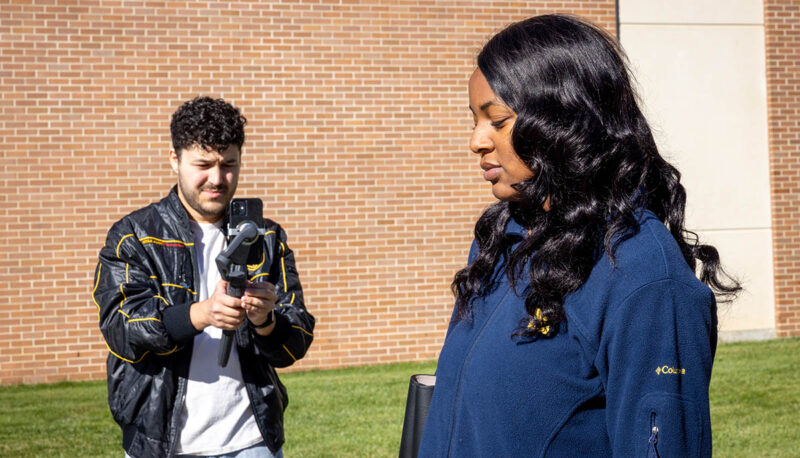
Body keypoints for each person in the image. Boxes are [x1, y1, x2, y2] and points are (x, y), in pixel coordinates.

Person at [418, 14, 740, 457]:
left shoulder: (641, 275)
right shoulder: (504, 239)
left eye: (498, 120)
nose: (476, 140)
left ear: (564, 120)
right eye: (474, 119)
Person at [92, 96, 314, 457]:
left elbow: (297, 340)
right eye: (204, 164)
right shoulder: (134, 235)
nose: (217, 178)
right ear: (174, 160)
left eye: (229, 164)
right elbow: (122, 327)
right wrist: (202, 313)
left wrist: (265, 322)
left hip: (251, 441)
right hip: (162, 443)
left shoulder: (267, 237)